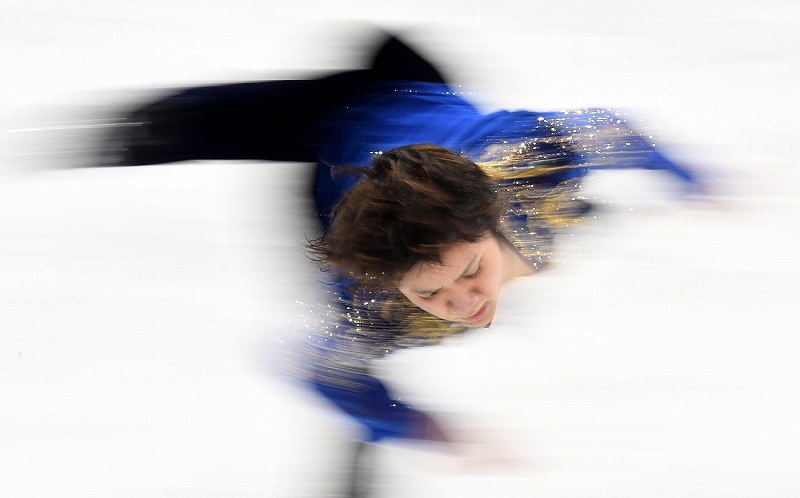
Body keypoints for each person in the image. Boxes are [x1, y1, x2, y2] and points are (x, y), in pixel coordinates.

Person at [92, 31, 702, 495]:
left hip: (415, 86)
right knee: (237, 124)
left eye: (467, 273)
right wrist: (420, 427)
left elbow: (613, 130)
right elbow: (316, 368)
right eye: (430, 295)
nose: (464, 305)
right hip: (336, 161)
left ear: (489, 221)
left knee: (539, 217)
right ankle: (157, 124)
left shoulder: (527, 158)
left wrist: (691, 179)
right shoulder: (366, 298)